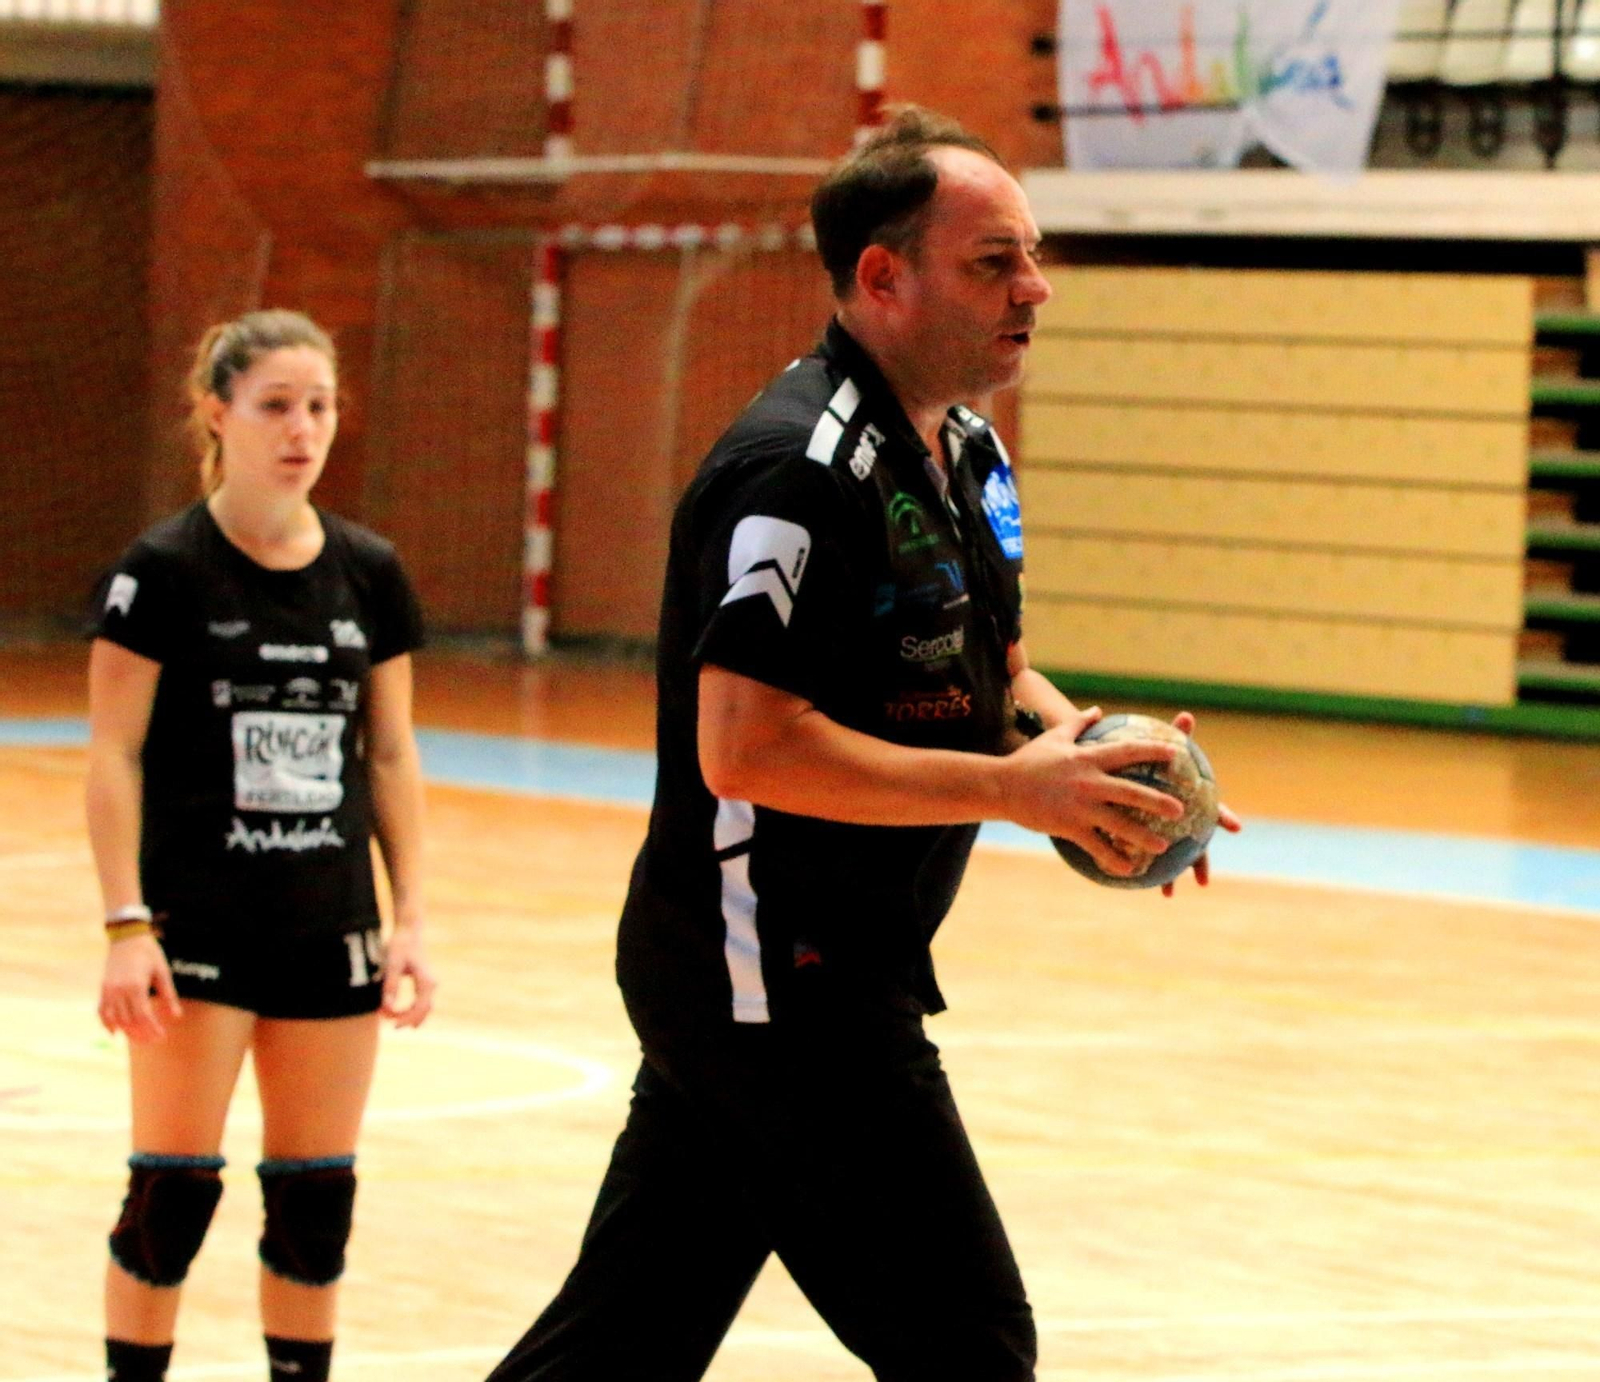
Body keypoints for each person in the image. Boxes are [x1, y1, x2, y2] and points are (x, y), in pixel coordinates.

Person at [484, 106, 1241, 1382]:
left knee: (622, 1341)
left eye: (1031, 256)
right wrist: (1016, 791)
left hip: (798, 967)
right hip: (771, 978)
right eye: (993, 262)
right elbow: (747, 748)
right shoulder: (794, 472)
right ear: (882, 278)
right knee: (969, 1344)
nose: (1035, 288)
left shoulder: (967, 450)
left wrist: (1099, 765)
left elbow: (994, 668)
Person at [85, 308, 437, 1382]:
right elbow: (113, 755)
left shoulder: (370, 572)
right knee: (171, 1195)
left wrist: (411, 918)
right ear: (216, 414)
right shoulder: (162, 571)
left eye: (319, 406)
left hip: (328, 926)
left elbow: (389, 755)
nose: (302, 429)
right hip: (196, 927)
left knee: (316, 1201)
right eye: (276, 405)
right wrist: (126, 925)